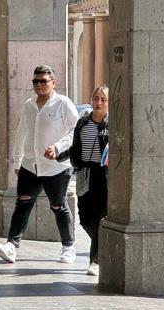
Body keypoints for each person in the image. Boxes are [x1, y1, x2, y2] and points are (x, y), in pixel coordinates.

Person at [0, 64, 79, 264]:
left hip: (56, 166)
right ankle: (11, 246)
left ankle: (68, 247)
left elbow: (75, 130)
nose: (39, 85)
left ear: (53, 83)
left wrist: (57, 147)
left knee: (58, 206)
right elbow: (22, 131)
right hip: (31, 164)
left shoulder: (63, 104)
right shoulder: (28, 105)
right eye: (35, 81)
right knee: (22, 203)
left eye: (43, 81)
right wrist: (17, 159)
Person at [57, 85, 109, 276]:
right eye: (96, 98)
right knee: (85, 218)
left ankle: (95, 260)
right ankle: (103, 244)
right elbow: (75, 147)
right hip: (85, 172)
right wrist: (59, 155)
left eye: (103, 99)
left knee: (99, 218)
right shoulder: (83, 122)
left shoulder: (111, 124)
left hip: (104, 175)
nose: (99, 103)